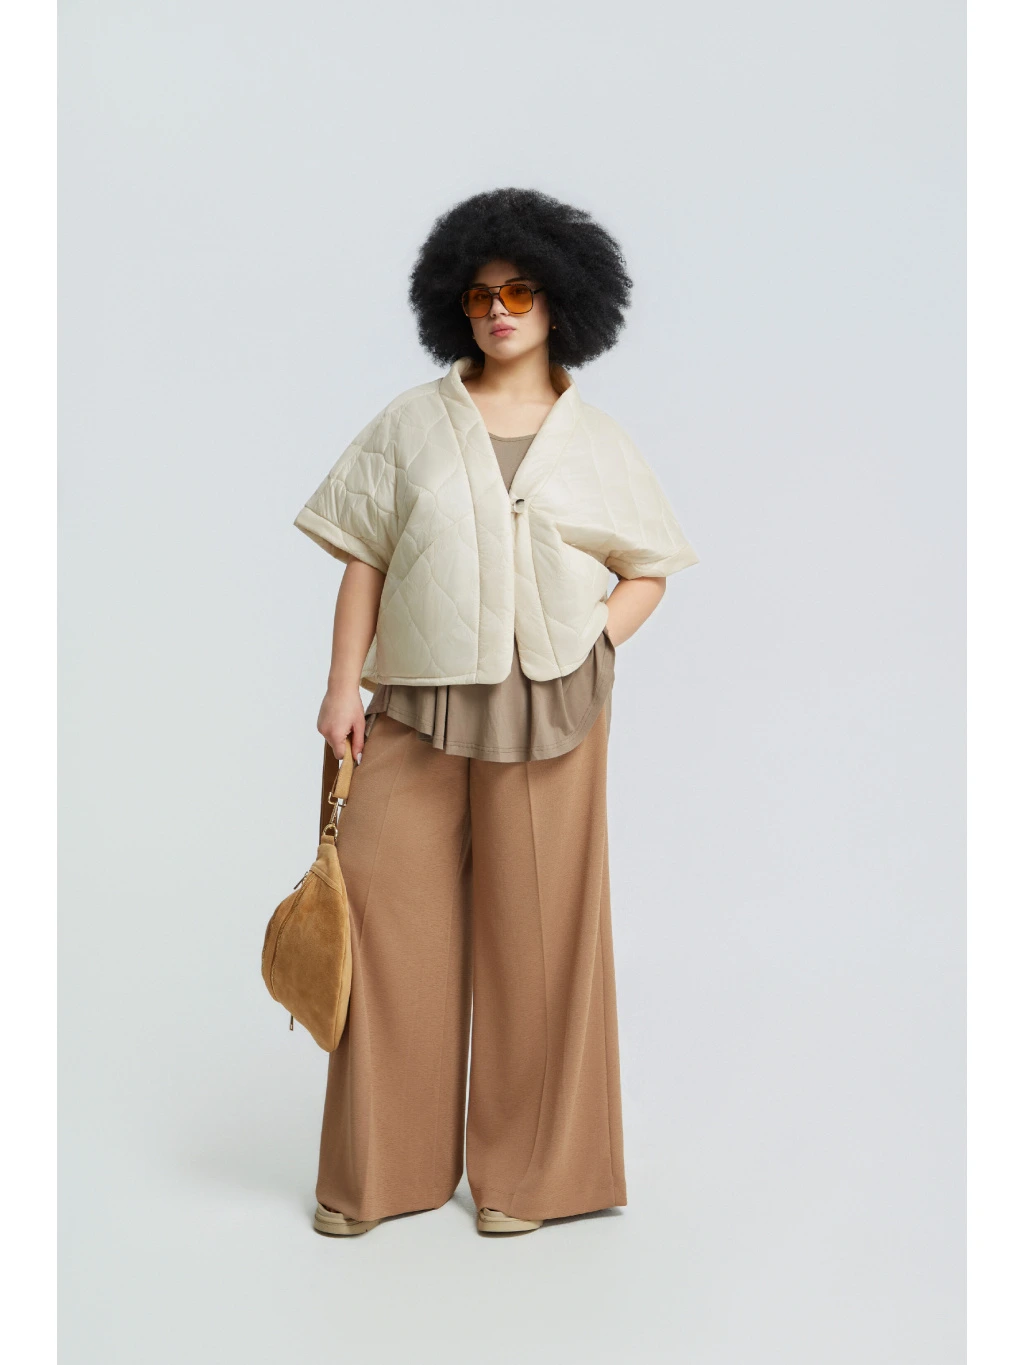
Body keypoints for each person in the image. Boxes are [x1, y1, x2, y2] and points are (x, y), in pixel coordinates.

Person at [293, 187, 699, 1237]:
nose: (498, 312)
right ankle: (383, 1173)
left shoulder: (596, 441)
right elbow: (364, 557)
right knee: (387, 926)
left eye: (519, 292)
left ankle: (534, 1180)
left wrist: (594, 638)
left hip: (552, 703)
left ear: (559, 301)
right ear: (454, 306)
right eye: (479, 296)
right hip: (417, 698)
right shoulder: (411, 423)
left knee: (542, 940)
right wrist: (341, 686)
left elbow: (649, 568)